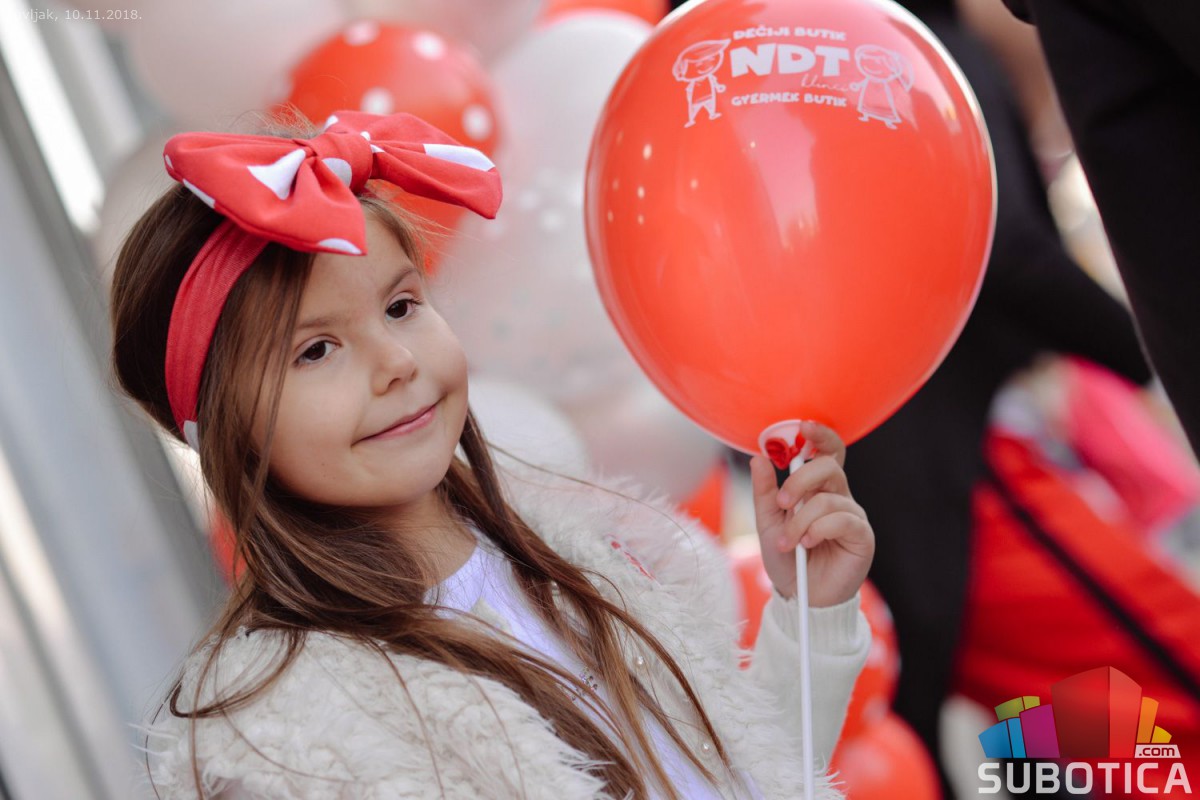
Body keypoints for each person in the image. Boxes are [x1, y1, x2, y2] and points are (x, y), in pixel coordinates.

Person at [112, 111, 874, 799]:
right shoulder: (288, 738)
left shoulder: (582, 560)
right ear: (224, 432)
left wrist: (812, 613)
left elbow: (732, 775)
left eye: (401, 306)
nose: (396, 362)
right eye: (315, 350)